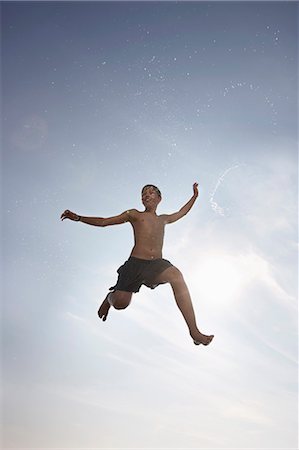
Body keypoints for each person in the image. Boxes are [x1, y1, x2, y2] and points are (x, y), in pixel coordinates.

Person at [60, 183, 214, 346]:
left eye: (150, 192)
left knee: (176, 276)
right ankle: (109, 298)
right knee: (121, 303)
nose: (146, 195)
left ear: (159, 198)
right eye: (143, 194)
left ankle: (194, 331)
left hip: (155, 265)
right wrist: (78, 218)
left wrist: (194, 196)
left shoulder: (163, 219)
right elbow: (105, 221)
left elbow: (181, 212)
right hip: (135, 265)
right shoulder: (133, 214)